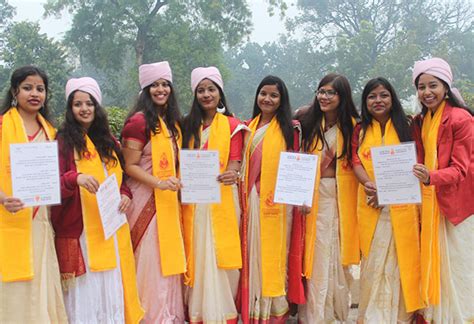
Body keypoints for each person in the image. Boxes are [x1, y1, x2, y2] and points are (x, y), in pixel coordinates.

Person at [51, 77, 143, 323]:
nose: (84, 109)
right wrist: (75, 178)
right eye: (78, 104)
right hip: (81, 231)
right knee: (86, 291)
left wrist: (126, 195)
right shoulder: (62, 142)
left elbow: (120, 181)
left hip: (111, 228)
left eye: (89, 103)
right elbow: (52, 184)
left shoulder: (109, 142)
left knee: (111, 286)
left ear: (97, 106)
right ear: (70, 109)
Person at [351, 77, 424, 322]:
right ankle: (373, 316)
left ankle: (400, 316)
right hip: (371, 204)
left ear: (392, 98)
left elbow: (416, 162)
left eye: (383, 95)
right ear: (365, 102)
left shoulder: (408, 125)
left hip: (403, 205)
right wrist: (367, 183)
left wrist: (388, 193)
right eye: (372, 96)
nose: (378, 101)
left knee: (400, 261)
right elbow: (356, 161)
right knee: (372, 264)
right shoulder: (359, 129)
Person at [0, 65, 68, 323]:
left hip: (40, 221)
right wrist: (4, 198)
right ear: (15, 91)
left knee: (40, 277)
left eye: (40, 89)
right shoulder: (2, 126)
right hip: (6, 219)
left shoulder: (52, 133)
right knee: (12, 285)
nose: (34, 94)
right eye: (27, 88)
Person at [121, 61, 186, 323]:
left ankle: (166, 314)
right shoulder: (138, 122)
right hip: (145, 200)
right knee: (148, 261)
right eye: (154, 85)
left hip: (168, 199)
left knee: (164, 260)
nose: (160, 90)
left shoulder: (170, 122)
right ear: (146, 89)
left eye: (165, 84)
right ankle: (148, 316)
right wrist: (158, 183)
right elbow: (129, 166)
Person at [411, 57, 473, 323]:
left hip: (454, 206)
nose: (426, 92)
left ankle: (460, 317)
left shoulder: (461, 118)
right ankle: (436, 315)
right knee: (435, 262)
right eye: (421, 87)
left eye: (432, 85)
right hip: (430, 201)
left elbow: (462, 169)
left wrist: (431, 176)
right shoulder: (422, 119)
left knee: (458, 266)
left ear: (446, 87)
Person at [181, 66, 245, 323]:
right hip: (194, 201)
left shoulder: (232, 125)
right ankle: (198, 312)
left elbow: (236, 160)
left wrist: (232, 172)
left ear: (220, 93)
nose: (206, 94)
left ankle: (224, 312)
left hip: (222, 199)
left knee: (221, 254)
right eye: (201, 90)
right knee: (197, 252)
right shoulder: (186, 125)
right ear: (195, 94)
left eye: (211, 89)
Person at [295, 73, 359, 323]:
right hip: (313, 195)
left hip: (343, 195)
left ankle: (335, 312)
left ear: (342, 96)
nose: (324, 96)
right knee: (317, 252)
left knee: (337, 252)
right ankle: (314, 315)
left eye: (331, 92)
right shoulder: (307, 121)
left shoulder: (354, 125)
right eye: (321, 91)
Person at [240, 75, 300, 323]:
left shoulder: (291, 129)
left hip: (278, 202)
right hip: (251, 199)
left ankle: (274, 312)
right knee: (252, 255)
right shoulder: (247, 127)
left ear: (281, 99)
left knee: (275, 255)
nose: (267, 99)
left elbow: (297, 166)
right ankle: (253, 309)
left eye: (274, 95)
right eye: (263, 93)